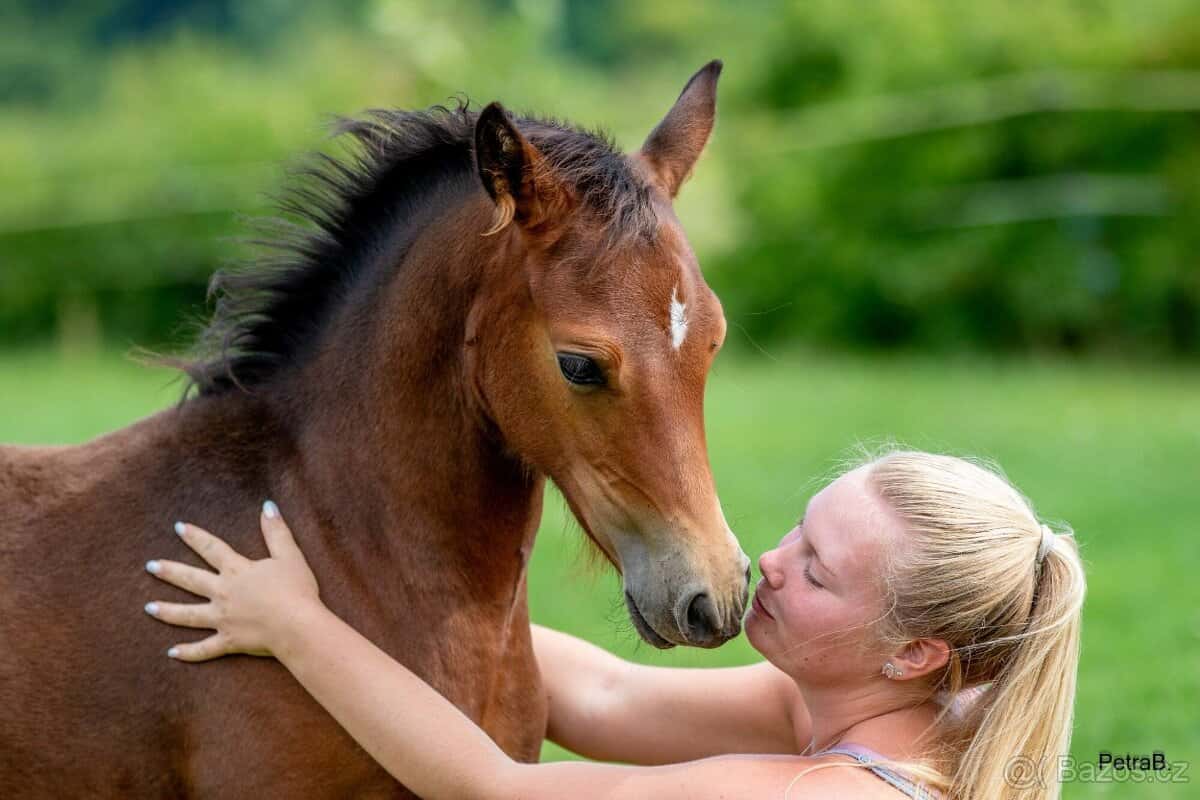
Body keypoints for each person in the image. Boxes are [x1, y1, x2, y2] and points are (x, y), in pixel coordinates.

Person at [141, 449, 1085, 799]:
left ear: (915, 651)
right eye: (801, 528)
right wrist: (375, 606)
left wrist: (299, 630)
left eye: (819, 573)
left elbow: (491, 791)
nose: (772, 559)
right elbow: (597, 694)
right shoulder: (906, 716)